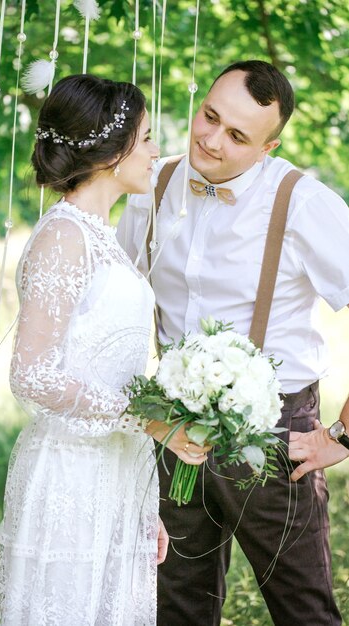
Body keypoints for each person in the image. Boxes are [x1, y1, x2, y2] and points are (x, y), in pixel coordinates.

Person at [118, 60, 349, 626]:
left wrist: (345, 436)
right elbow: (120, 290)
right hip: (173, 430)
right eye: (209, 116)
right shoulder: (153, 183)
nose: (211, 139)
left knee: (302, 608)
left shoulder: (303, 202)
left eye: (237, 135)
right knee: (176, 601)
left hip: (274, 441)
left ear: (267, 148)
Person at [0, 73, 209, 626]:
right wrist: (152, 423)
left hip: (116, 474)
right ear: (111, 151)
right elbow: (32, 375)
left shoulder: (100, 237)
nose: (158, 149)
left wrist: (141, 500)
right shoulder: (63, 237)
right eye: (146, 137)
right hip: (71, 475)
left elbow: (108, 367)